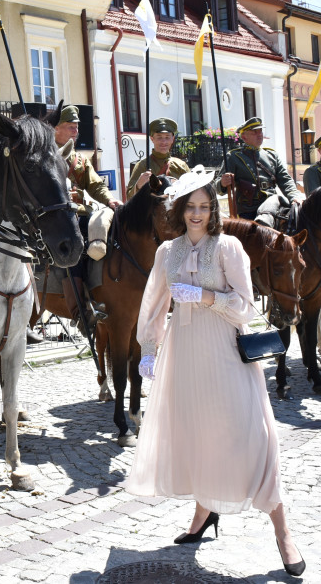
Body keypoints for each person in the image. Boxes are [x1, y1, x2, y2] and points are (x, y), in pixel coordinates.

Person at [126, 170, 306, 577]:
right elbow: (153, 304)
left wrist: (205, 296)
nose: (196, 214)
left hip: (225, 350)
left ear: (214, 210)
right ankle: (202, 516)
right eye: (190, 206)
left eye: (204, 207)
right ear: (179, 209)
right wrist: (149, 351)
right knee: (198, 437)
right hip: (185, 354)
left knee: (252, 440)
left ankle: (283, 533)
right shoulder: (166, 252)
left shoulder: (228, 248)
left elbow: (245, 306)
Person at [53, 105, 121, 330]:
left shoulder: (80, 160)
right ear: (55, 129)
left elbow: (95, 184)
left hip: (83, 213)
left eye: (76, 127)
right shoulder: (46, 156)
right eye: (70, 127)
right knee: (74, 246)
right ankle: (79, 312)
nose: (75, 131)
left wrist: (110, 200)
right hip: (59, 217)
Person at [217, 117, 301, 225]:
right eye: (254, 132)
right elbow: (217, 187)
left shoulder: (272, 156)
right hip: (248, 210)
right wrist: (222, 183)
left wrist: (295, 197)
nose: (259, 134)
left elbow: (285, 180)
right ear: (244, 136)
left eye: (260, 130)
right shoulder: (233, 157)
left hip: (273, 204)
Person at [125, 118, 190, 198]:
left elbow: (192, 192)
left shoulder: (181, 165)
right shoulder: (142, 166)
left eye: (167, 137)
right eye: (159, 137)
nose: (163, 142)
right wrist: (138, 185)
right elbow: (129, 197)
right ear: (152, 139)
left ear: (172, 139)